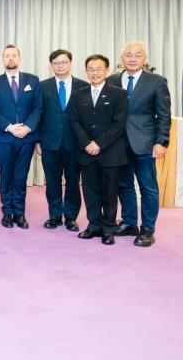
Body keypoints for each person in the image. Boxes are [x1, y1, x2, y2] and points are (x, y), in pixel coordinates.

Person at [107, 41, 171, 247]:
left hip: (145, 144)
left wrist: (161, 142)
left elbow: (163, 115)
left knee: (148, 188)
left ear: (145, 59)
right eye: (128, 55)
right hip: (117, 144)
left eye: (138, 55)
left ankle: (148, 229)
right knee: (124, 185)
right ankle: (129, 223)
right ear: (121, 58)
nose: (133, 59)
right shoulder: (111, 80)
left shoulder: (157, 81)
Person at [70, 54, 128, 245]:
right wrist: (87, 143)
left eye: (98, 69)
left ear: (107, 71)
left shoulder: (118, 94)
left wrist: (99, 144)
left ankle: (108, 229)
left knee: (109, 194)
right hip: (86, 153)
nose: (94, 72)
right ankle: (93, 226)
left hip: (110, 153)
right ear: (86, 72)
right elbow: (75, 121)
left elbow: (118, 124)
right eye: (91, 69)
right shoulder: (79, 94)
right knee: (90, 192)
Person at [0, 44, 42, 230]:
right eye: (7, 56)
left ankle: (20, 213)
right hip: (3, 137)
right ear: (2, 60)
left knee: (20, 177)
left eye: (14, 55)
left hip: (26, 138)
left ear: (19, 58)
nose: (10, 59)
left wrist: (27, 127)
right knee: (6, 176)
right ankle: (7, 213)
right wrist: (9, 127)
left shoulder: (33, 81)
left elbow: (38, 108)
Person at [38, 49, 88, 232]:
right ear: (51, 66)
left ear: (70, 63)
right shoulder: (43, 86)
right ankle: (55, 216)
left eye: (63, 62)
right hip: (49, 142)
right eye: (56, 63)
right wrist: (37, 140)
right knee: (52, 181)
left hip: (75, 143)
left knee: (73, 182)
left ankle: (71, 217)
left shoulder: (83, 86)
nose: (60, 66)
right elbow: (38, 114)